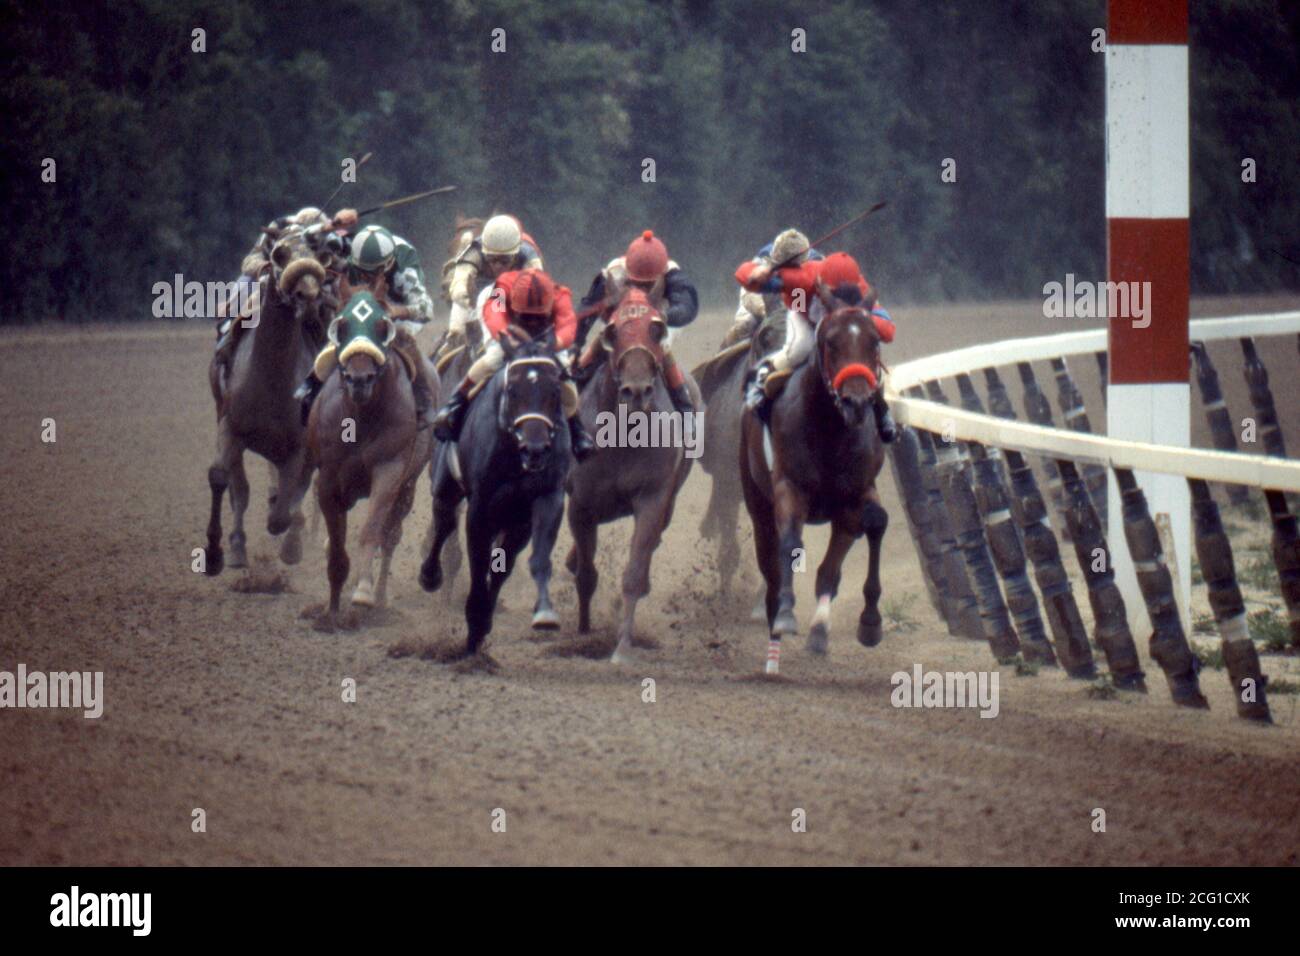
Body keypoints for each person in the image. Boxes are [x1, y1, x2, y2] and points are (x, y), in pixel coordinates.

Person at [431, 269, 595, 460]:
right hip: (511, 331)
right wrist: (505, 337)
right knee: (492, 358)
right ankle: (455, 405)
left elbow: (568, 325)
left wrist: (556, 343)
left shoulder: (560, 294)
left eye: (537, 316)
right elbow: (493, 312)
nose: (532, 321)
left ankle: (577, 430)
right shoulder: (501, 288)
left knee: (564, 371)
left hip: (547, 338)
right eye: (526, 316)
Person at [738, 251, 898, 442]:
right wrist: (757, 272)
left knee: (864, 354)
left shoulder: (863, 290)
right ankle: (762, 376)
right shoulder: (805, 277)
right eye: (836, 295)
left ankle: (882, 411)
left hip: (842, 328)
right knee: (800, 348)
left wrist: (861, 320)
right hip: (804, 316)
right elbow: (744, 275)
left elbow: (888, 331)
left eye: (848, 296)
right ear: (821, 284)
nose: (841, 302)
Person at [295, 224, 437, 427]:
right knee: (346, 331)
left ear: (387, 266)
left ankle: (423, 398)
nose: (364, 276)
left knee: (401, 336)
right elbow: (307, 237)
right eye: (360, 271)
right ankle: (313, 385)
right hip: (362, 301)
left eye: (370, 273)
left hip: (398, 306)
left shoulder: (404, 268)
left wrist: (396, 311)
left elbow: (426, 308)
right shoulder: (351, 246)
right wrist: (332, 224)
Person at [213, 206, 357, 369]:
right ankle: (228, 335)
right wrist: (269, 267)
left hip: (308, 283)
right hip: (270, 276)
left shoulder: (326, 240)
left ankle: (335, 350)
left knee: (333, 302)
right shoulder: (277, 228)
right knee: (249, 289)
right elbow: (249, 261)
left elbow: (338, 265)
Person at [572, 230, 698, 414]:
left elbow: (688, 307)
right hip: (618, 326)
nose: (642, 288)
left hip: (655, 325)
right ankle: (571, 399)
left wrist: (666, 317)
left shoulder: (672, 275)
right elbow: (586, 311)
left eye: (648, 285)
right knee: (598, 345)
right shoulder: (613, 273)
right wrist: (575, 345)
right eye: (636, 283)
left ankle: (686, 410)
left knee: (662, 346)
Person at [443, 213, 543, 346]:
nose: (498, 266)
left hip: (512, 295)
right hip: (475, 295)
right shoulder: (473, 251)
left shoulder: (528, 254)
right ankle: (449, 347)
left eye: (504, 260)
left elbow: (540, 286)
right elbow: (459, 283)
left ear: (516, 253)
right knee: (456, 330)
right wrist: (466, 296)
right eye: (491, 259)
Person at [721, 227, 823, 348]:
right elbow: (749, 294)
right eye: (786, 266)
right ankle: (721, 356)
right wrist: (764, 312)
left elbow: (799, 306)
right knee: (746, 323)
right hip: (761, 302)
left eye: (794, 267)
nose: (790, 270)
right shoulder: (762, 261)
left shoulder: (817, 262)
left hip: (798, 299)